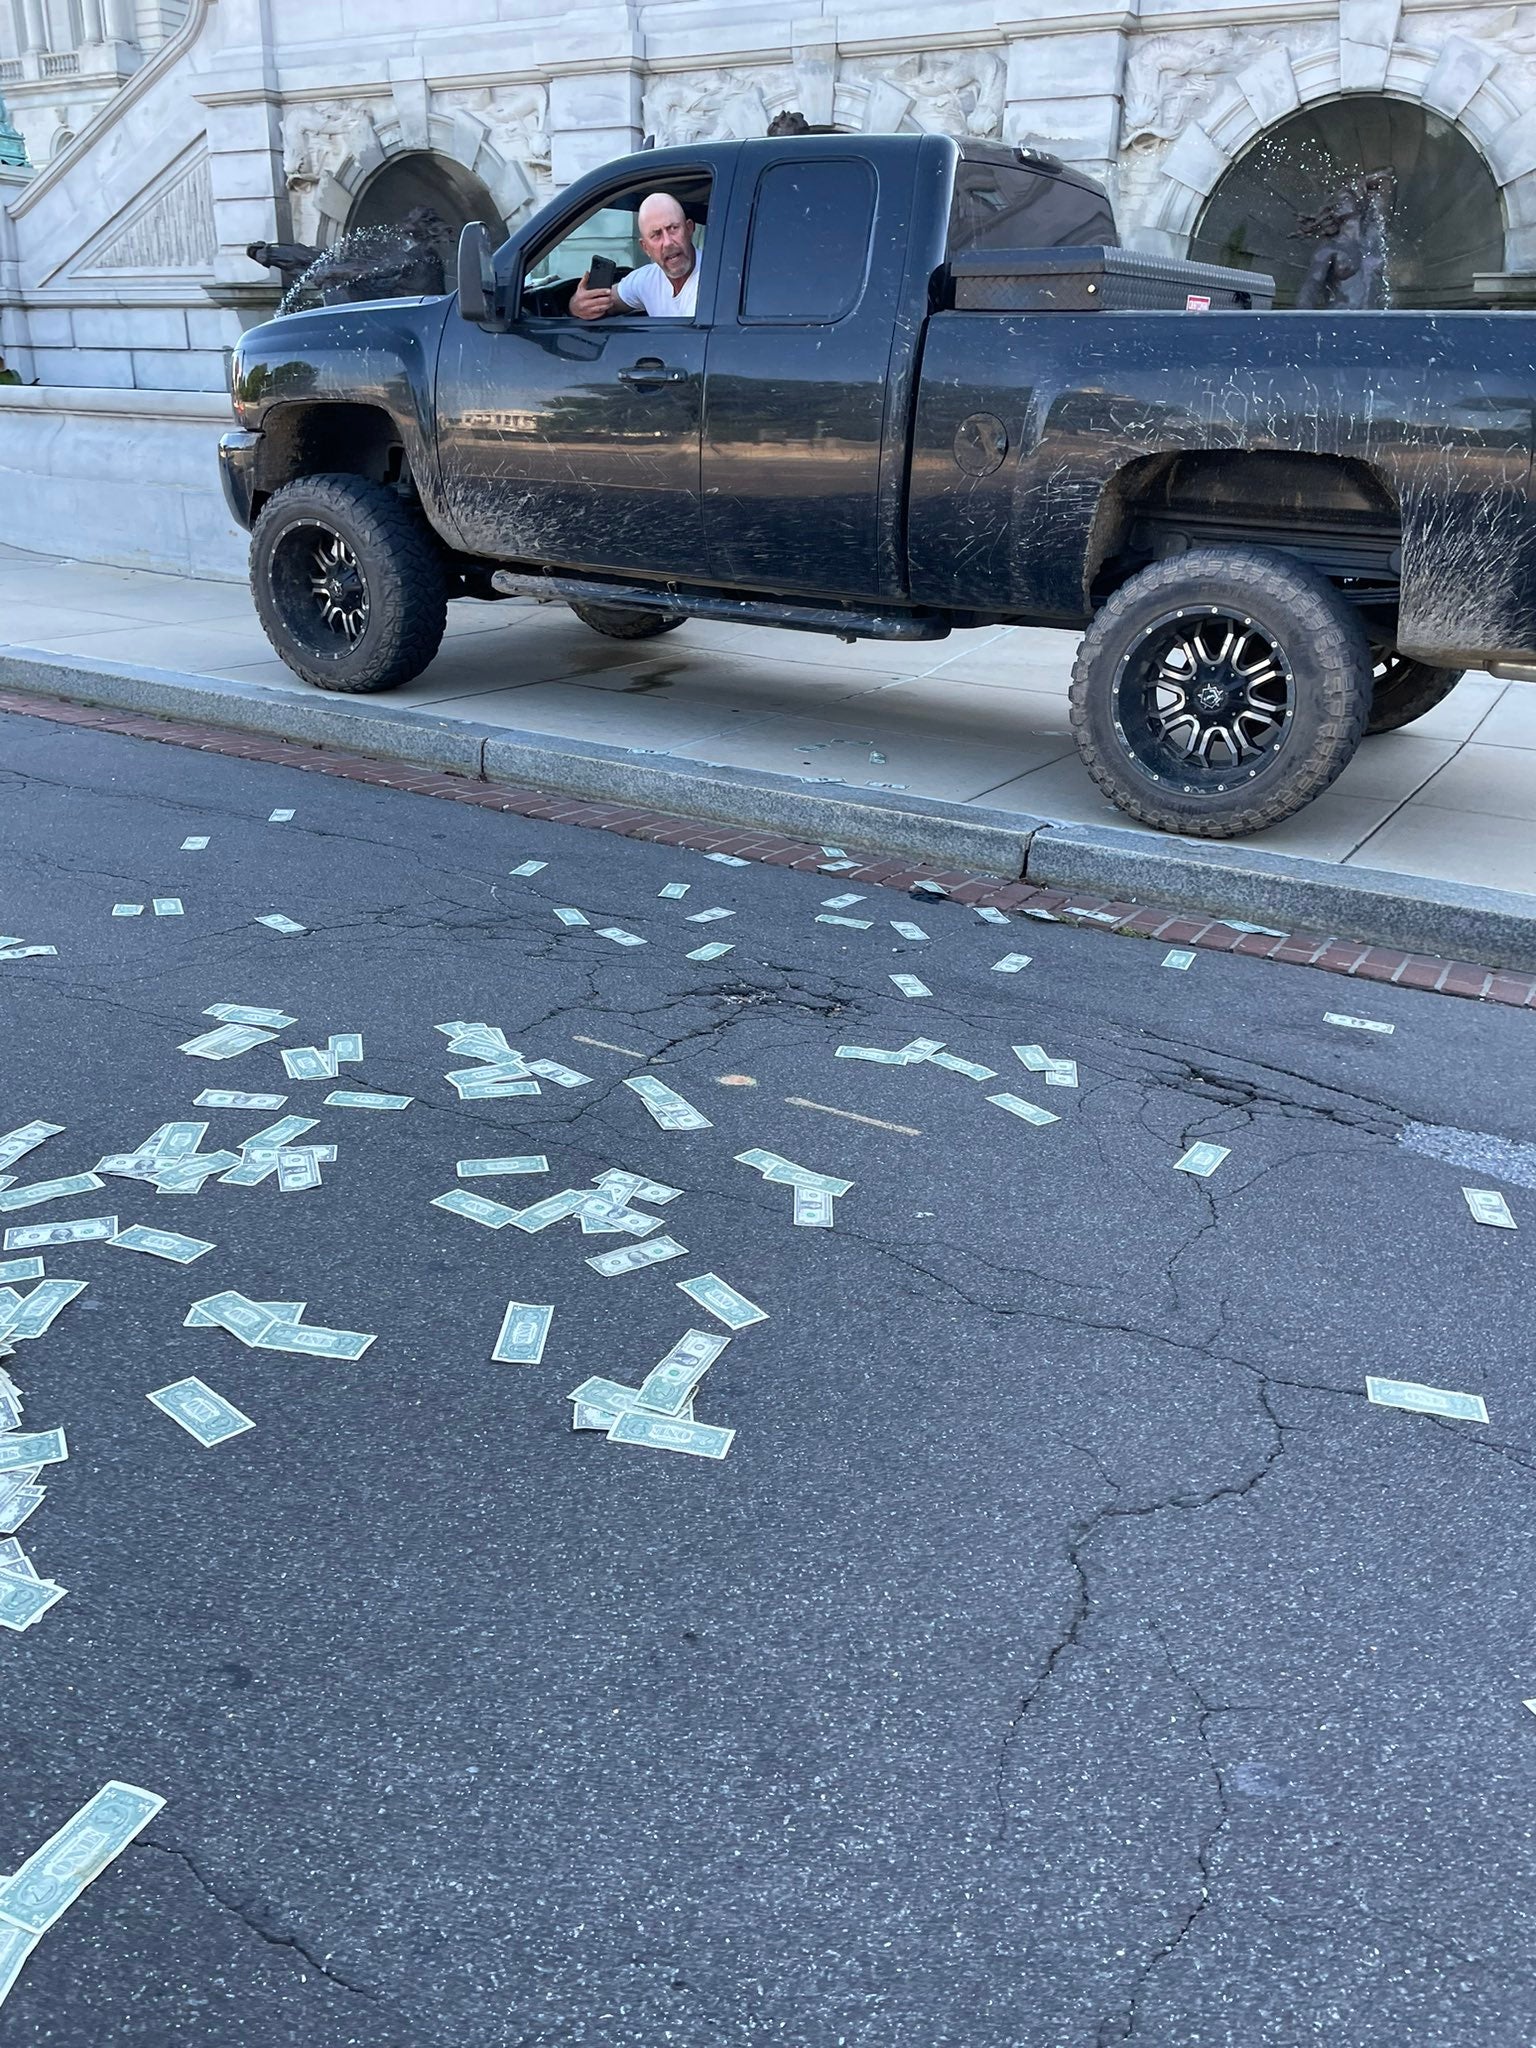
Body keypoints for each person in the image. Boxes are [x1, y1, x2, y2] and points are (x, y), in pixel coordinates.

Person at [571, 192, 698, 320]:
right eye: (656, 235)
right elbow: (604, 302)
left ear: (689, 228)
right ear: (645, 247)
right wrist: (577, 305)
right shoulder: (647, 279)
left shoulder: (716, 277)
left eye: (673, 228)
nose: (668, 242)